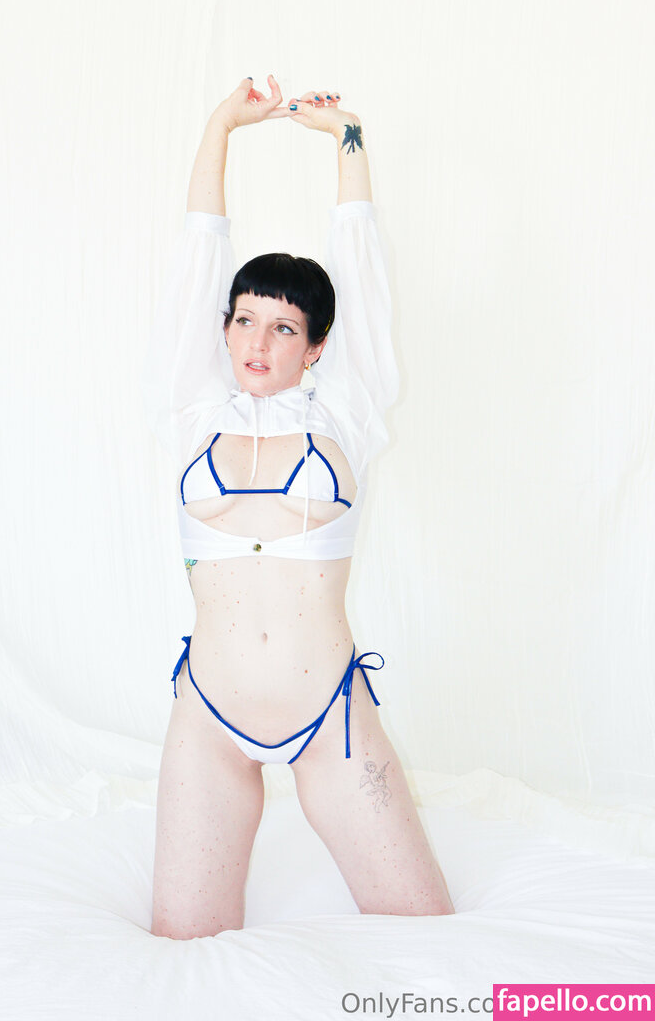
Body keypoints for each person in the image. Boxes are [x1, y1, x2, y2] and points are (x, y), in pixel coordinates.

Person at [142, 75, 455, 940]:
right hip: (208, 715)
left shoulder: (347, 413)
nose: (257, 341)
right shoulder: (194, 412)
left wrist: (349, 137)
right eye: (244, 321)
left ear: (317, 347)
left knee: (427, 932)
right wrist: (222, 127)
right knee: (183, 950)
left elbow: (361, 267)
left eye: (284, 328)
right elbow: (198, 255)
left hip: (329, 716)